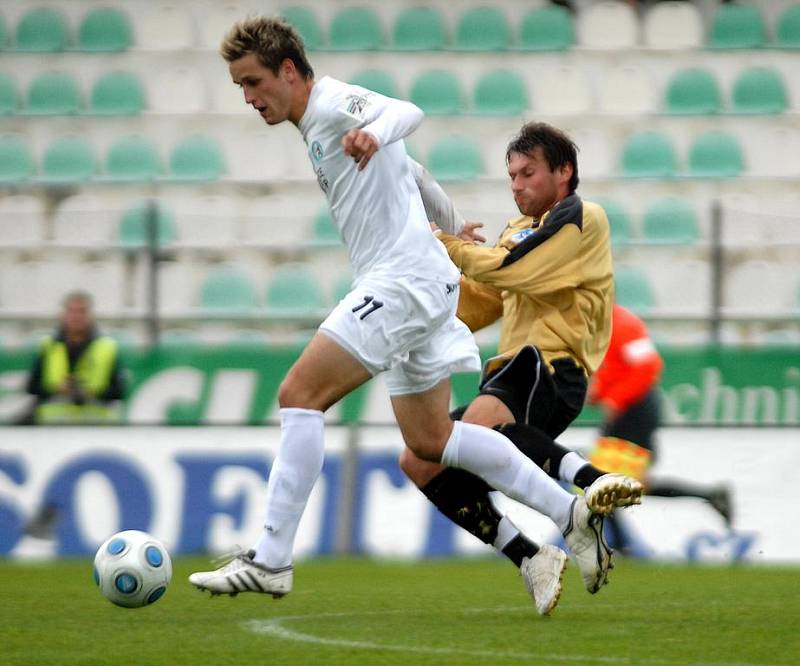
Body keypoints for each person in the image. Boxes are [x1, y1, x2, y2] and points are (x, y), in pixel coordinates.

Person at [189, 17, 630, 614]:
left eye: (252, 81)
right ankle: (566, 515)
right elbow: (414, 173)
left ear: (288, 71)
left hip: (400, 282)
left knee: (299, 395)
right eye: (240, 85)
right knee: (432, 440)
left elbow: (405, 112)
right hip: (417, 280)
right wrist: (449, 227)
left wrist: (373, 132)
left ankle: (270, 561)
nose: (247, 97)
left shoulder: (332, 104)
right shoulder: (318, 125)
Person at [401, 123, 642, 604]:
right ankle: (529, 556)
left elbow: (513, 270)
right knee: (419, 458)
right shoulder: (517, 231)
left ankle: (588, 484)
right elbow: (483, 300)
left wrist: (448, 244)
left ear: (564, 171)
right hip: (511, 371)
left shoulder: (580, 216)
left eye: (528, 173)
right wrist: (423, 290)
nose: (516, 185)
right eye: (511, 175)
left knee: (479, 429)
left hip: (551, 365)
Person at [587, 303, 732, 551]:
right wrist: (599, 393)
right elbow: (618, 369)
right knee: (614, 483)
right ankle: (709, 495)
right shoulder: (600, 326)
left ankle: (622, 546)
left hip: (636, 412)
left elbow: (648, 366)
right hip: (627, 412)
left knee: (603, 481)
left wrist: (614, 398)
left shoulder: (623, 325)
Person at [23, 291, 125, 424]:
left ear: (91, 315)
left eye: (82, 311)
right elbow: (32, 387)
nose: (77, 317)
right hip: (53, 428)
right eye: (72, 311)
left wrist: (91, 393)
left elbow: (119, 391)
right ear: (63, 315)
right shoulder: (48, 346)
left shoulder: (107, 347)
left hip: (95, 426)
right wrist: (56, 389)